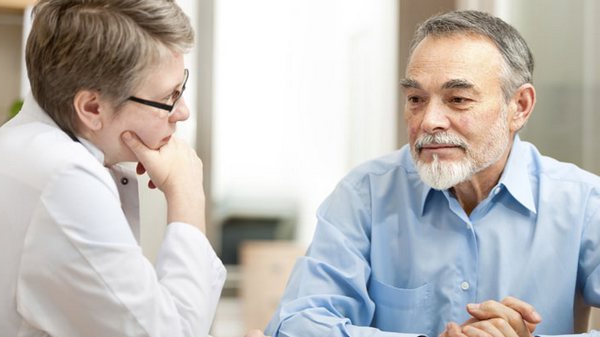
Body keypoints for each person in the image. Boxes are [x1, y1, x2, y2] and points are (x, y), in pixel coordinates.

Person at [265, 9, 600, 337]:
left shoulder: (584, 203)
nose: (428, 121)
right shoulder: (365, 194)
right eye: (416, 98)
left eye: (457, 99)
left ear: (520, 107)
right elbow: (297, 324)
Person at [0, 1, 227, 335]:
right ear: (92, 107)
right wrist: (187, 195)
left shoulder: (19, 144)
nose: (182, 112)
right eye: (168, 97)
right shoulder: (66, 178)